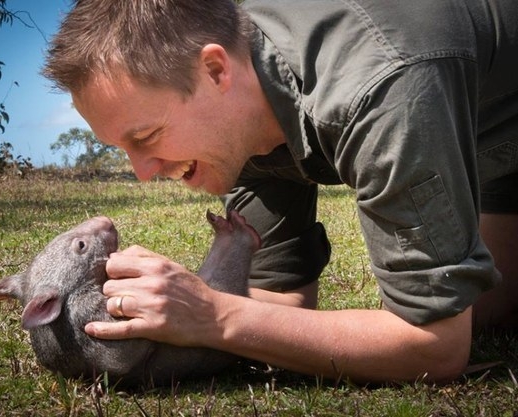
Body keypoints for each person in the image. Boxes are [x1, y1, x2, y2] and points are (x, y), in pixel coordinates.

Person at [43, 0, 518, 383]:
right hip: (477, 135)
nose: (141, 173)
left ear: (215, 71)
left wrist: (213, 315)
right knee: (488, 313)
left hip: (482, 113)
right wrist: (152, 330)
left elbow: (435, 346)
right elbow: (280, 302)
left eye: (145, 137)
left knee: (478, 318)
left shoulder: (375, 87)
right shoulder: (236, 122)